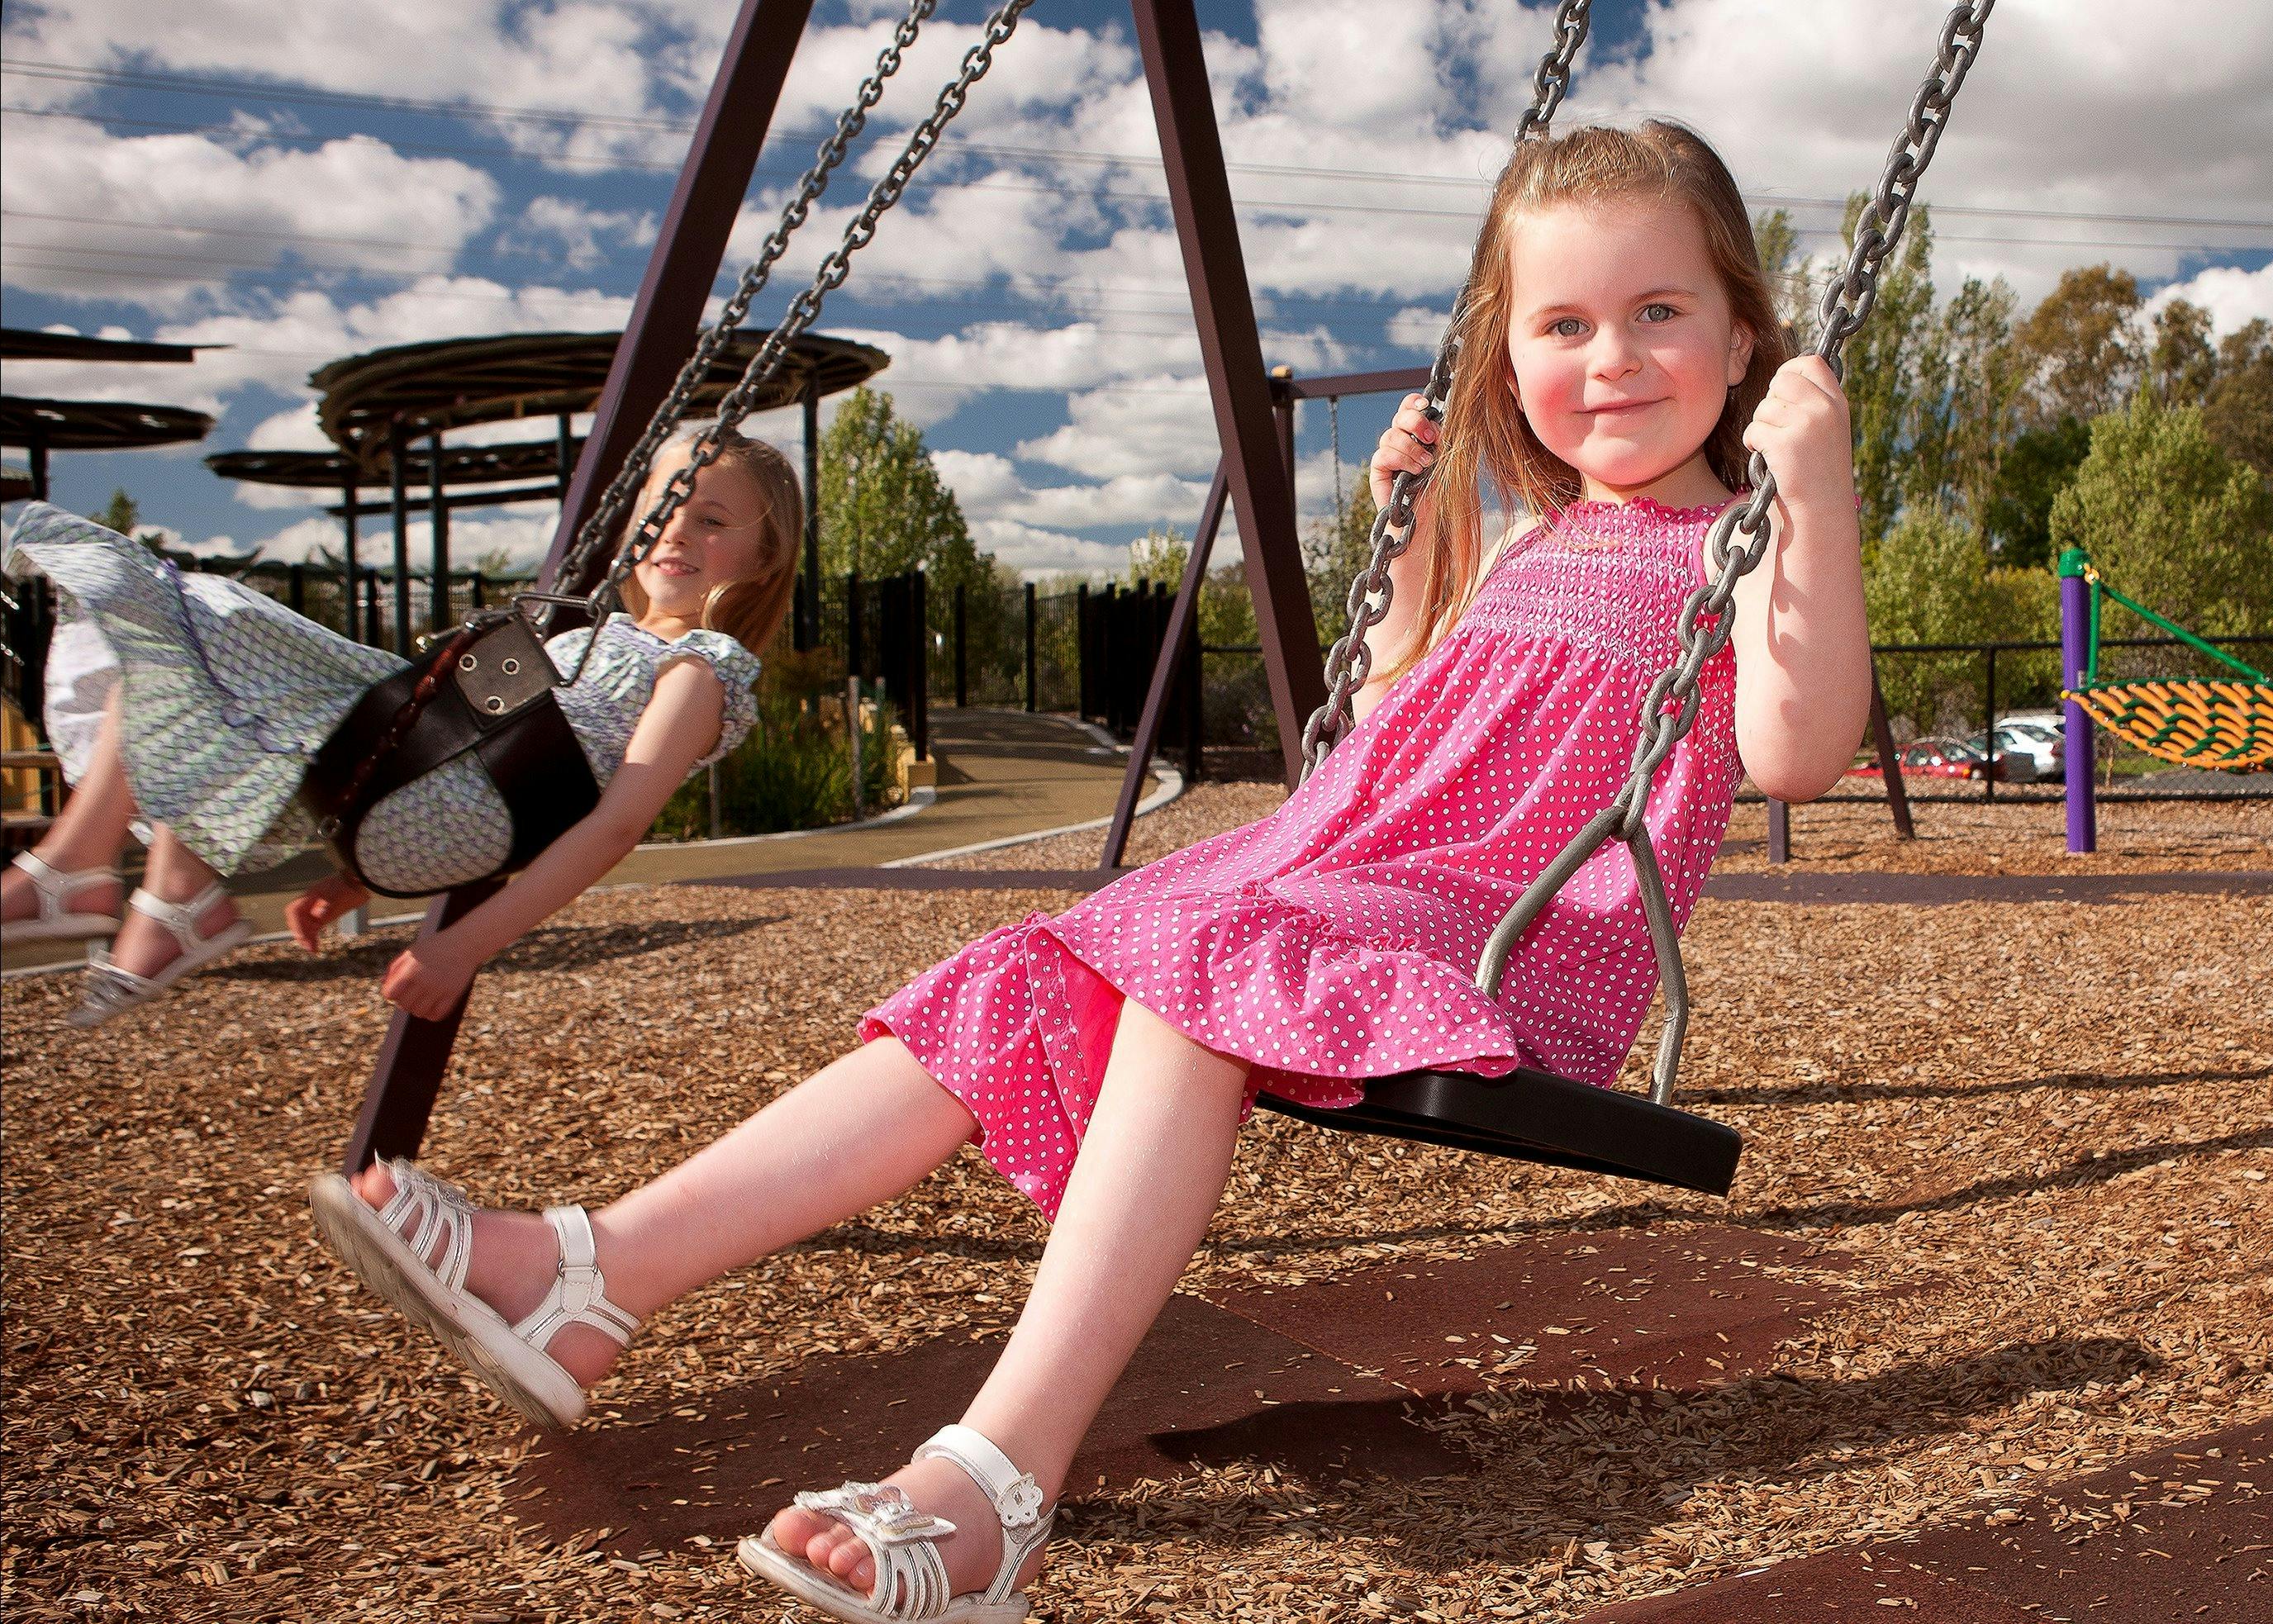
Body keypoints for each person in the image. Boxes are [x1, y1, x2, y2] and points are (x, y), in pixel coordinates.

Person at [308, 120, 1874, 1624]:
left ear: (1743, 336)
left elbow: (1795, 751)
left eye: (1658, 312)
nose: (1611, 359)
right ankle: (590, 1273)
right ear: (1505, 357)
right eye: (1563, 323)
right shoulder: (1525, 540)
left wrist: (1815, 493)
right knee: (1026, 965)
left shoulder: (1739, 547)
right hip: (1345, 877)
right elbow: (1394, 727)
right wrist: (1400, 568)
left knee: (1197, 958)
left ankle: (997, 1480)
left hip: (1503, 939)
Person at [0, 432, 792, 1026]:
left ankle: (101, 880)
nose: (675, 531)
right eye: (662, 508)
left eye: (711, 520)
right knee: (169, 659)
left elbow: (614, 826)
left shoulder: (700, 667)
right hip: (431, 784)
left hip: (470, 804)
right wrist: (358, 876)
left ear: (764, 558)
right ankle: (140, 887)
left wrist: (462, 945)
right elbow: (455, 728)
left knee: (206, 618)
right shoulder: (589, 632)